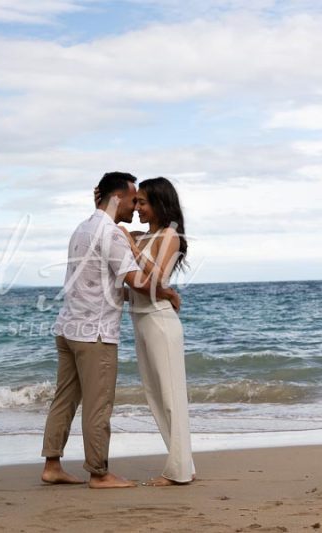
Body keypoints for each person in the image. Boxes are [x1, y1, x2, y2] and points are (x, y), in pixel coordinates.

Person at [41, 172, 180, 489]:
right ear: (118, 198)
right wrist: (168, 293)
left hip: (68, 328)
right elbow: (137, 282)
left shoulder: (81, 229)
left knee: (64, 399)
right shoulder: (112, 235)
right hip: (96, 334)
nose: (135, 208)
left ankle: (52, 465)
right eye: (133, 199)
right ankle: (99, 473)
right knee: (98, 404)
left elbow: (103, 281)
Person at [122, 176, 196, 486]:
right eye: (135, 201)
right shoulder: (140, 237)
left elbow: (159, 278)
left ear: (158, 203)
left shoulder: (170, 235)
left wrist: (132, 247)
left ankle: (178, 471)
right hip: (139, 319)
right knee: (154, 396)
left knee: (170, 397)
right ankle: (183, 465)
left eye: (142, 202)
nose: (136, 207)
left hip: (160, 321)